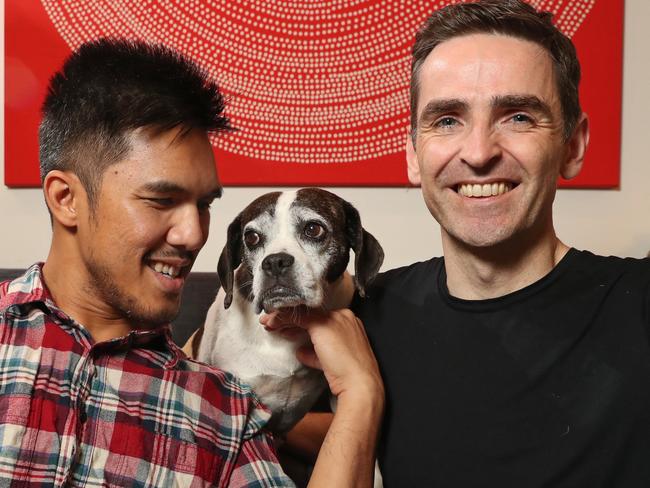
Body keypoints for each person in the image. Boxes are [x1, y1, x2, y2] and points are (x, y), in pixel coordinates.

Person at [267, 0, 650, 486]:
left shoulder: (638, 304)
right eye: (447, 120)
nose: (478, 152)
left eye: (518, 117)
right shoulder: (358, 308)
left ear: (572, 146)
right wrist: (359, 396)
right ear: (412, 156)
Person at [0, 39, 383, 487]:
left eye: (203, 204)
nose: (194, 235)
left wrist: (361, 395)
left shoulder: (224, 405)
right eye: (162, 200)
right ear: (66, 199)